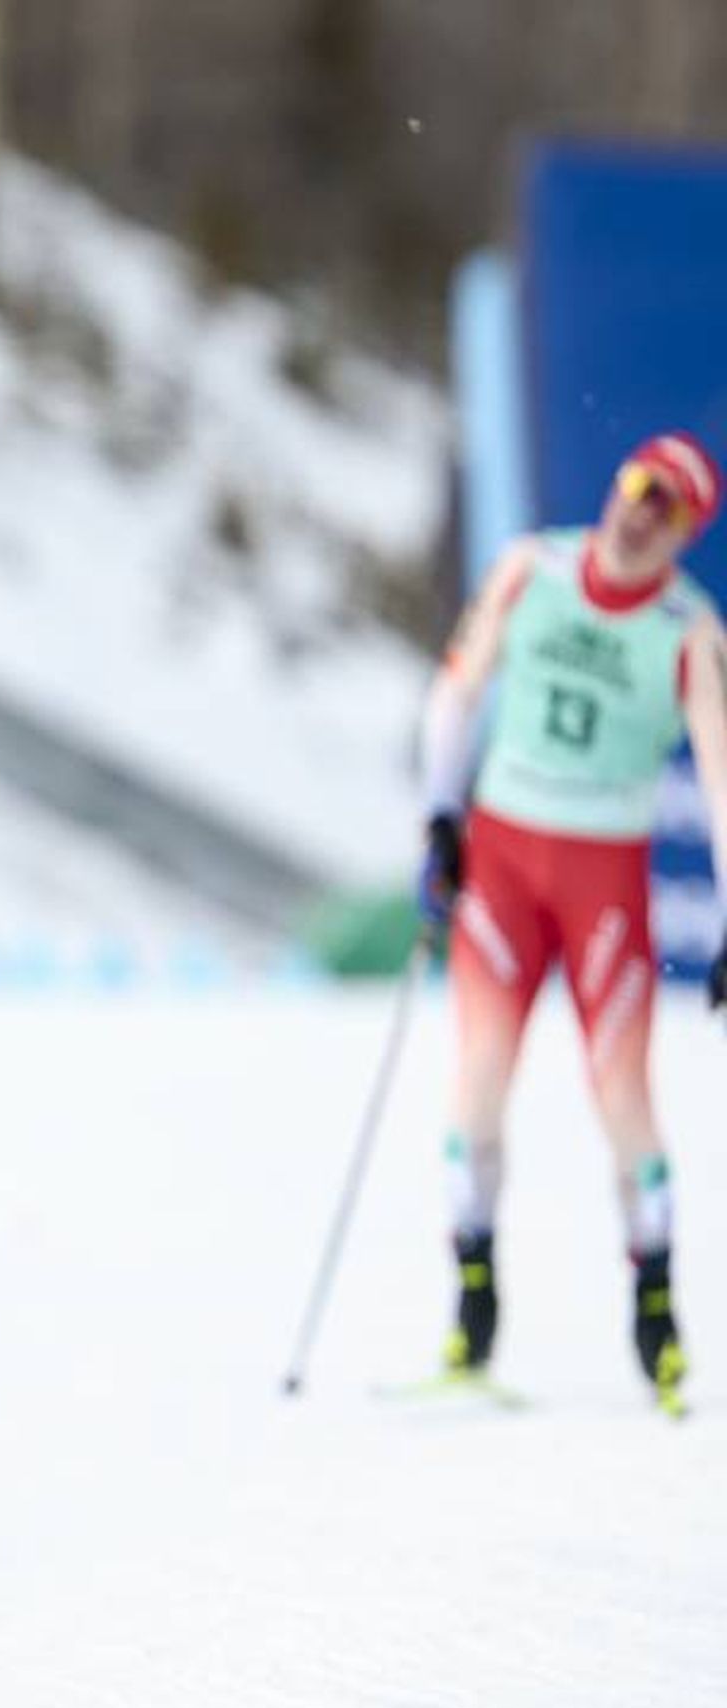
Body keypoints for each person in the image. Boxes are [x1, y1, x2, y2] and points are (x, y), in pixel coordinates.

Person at [416, 430, 727, 1413]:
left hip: (603, 877)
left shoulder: (690, 631)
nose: (642, 511)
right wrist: (439, 816)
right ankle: (473, 1307)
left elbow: (722, 781)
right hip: (506, 859)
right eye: (639, 485)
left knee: (621, 1095)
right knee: (474, 1090)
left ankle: (657, 1314)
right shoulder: (533, 567)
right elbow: (458, 689)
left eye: (668, 507)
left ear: (686, 534)